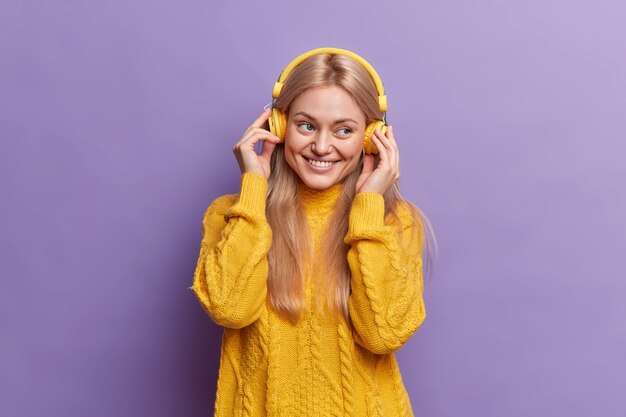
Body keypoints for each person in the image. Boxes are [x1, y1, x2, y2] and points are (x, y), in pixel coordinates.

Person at [190, 47, 436, 417]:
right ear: (279, 125)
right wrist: (253, 188)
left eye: (344, 130)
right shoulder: (232, 214)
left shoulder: (394, 223)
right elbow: (231, 309)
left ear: (372, 137)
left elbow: (383, 334)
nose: (322, 146)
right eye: (307, 125)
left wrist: (368, 206)